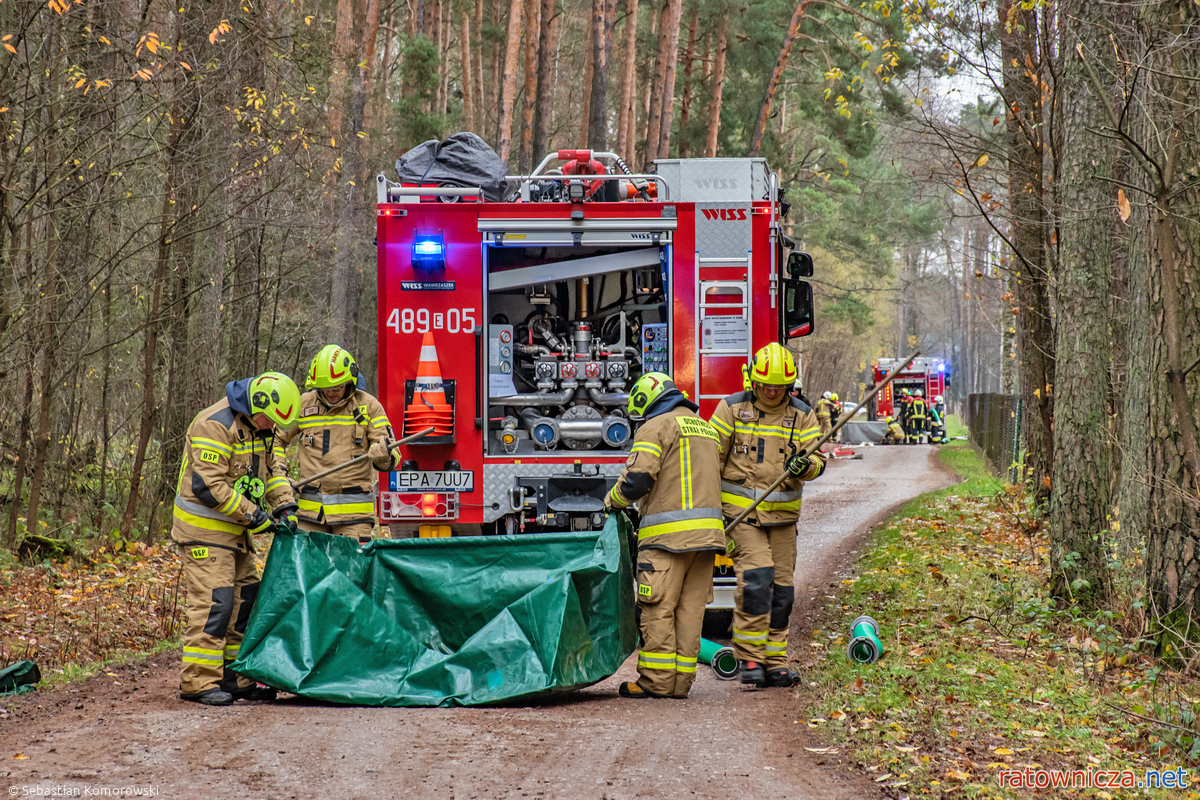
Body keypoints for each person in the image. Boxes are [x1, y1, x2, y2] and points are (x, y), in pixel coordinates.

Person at [171, 372, 301, 706]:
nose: (273, 428)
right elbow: (208, 486)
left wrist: (284, 506)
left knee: (245, 601)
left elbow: (272, 472)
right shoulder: (213, 425)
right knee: (216, 602)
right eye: (270, 421)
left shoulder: (261, 428)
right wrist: (255, 516)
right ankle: (198, 682)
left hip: (236, 531)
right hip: (204, 530)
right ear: (256, 406)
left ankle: (235, 677)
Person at [709, 343, 826, 688]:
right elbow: (710, 459)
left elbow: (818, 461)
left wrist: (806, 466)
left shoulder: (803, 415)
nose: (772, 391)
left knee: (782, 593)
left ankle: (774, 661)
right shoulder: (731, 409)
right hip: (742, 516)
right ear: (753, 381)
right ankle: (749, 658)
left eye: (779, 386)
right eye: (766, 385)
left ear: (790, 385)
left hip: (784, 519)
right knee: (757, 581)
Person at [604, 372, 724, 699]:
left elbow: (638, 479)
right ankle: (680, 684)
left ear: (645, 403)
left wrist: (612, 501)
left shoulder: (656, 427)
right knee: (689, 613)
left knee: (657, 608)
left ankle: (655, 682)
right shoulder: (705, 427)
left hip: (667, 540)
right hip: (706, 539)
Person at [275, 345, 401, 544]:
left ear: (350, 382)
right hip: (310, 515)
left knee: (352, 573)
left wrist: (383, 454)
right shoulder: (303, 405)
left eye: (337, 388)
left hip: (354, 518)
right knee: (311, 572)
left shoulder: (369, 406)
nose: (331, 394)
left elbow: (393, 458)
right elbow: (275, 440)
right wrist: (281, 475)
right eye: (325, 389)